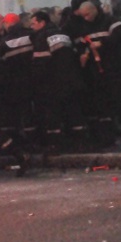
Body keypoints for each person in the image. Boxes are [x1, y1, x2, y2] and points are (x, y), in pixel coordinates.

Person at [73, 1, 121, 147]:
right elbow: (82, 43)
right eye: (83, 16)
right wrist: (83, 53)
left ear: (94, 10)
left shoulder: (110, 21)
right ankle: (108, 136)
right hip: (95, 69)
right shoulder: (84, 26)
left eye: (88, 14)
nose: (86, 18)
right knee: (102, 103)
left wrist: (103, 43)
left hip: (113, 67)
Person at [29, 11, 89, 153]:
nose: (31, 27)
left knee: (53, 114)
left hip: (53, 82)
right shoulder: (62, 33)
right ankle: (81, 142)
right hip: (71, 79)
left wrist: (37, 81)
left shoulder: (42, 37)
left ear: (42, 23)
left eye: (33, 23)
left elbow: (40, 64)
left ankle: (56, 145)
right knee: (74, 112)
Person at [0, 13, 37, 152]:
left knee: (23, 112)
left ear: (7, 25)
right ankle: (38, 141)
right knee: (35, 110)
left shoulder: (4, 42)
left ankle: (26, 142)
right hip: (34, 78)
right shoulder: (31, 35)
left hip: (15, 83)